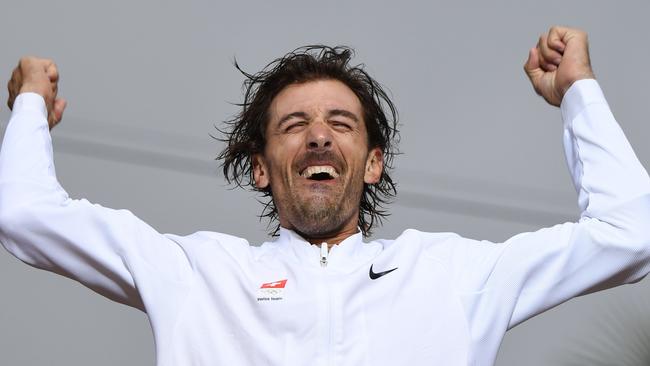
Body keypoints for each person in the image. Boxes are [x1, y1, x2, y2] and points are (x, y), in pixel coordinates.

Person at [1, 26, 649, 366]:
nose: (317, 137)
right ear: (260, 169)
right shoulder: (196, 273)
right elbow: (23, 214)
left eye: (340, 124)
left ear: (372, 164)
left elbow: (633, 233)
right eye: (292, 127)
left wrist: (579, 94)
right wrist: (30, 100)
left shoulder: (453, 273)